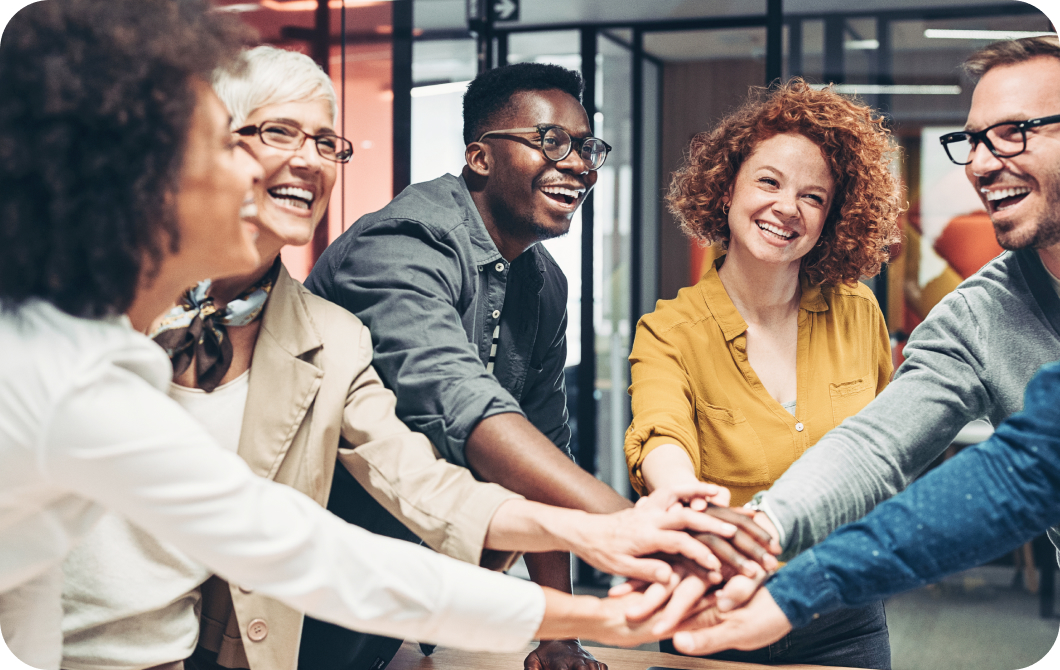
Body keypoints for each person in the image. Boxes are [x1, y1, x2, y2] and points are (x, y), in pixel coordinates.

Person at [0, 2, 718, 668]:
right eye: (239, 144)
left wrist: (593, 570)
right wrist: (607, 561)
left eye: (325, 143)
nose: (295, 166)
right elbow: (315, 548)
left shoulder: (110, 353)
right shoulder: (64, 366)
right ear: (145, 180)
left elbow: (395, 504)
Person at [305, 61, 778, 670]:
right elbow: (458, 398)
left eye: (586, 146)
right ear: (480, 157)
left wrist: (558, 633)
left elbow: (546, 434)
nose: (579, 164)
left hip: (394, 590)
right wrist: (629, 524)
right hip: (298, 579)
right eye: (551, 141)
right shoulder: (401, 244)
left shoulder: (542, 281)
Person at [734, 36, 1060, 571]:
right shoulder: (975, 319)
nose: (978, 165)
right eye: (973, 140)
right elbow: (873, 448)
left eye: (1013, 133)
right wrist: (758, 532)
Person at [622, 79, 902, 668]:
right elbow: (661, 430)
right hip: (715, 611)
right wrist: (678, 492)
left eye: (813, 197)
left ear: (832, 216)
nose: (786, 208)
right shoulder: (670, 330)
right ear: (727, 190)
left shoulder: (858, 313)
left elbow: (887, 448)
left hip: (846, 614)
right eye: (768, 181)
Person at [664, 358, 1060, 656]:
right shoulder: (981, 306)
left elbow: (1027, 469)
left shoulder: (858, 309)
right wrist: (763, 530)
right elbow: (874, 446)